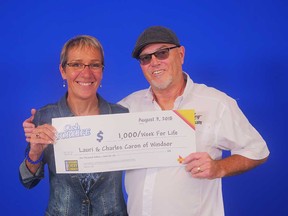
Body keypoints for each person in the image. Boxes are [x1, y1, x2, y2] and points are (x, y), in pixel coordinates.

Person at [23, 26, 270, 216]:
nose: (154, 63)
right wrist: (36, 149)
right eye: (145, 58)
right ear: (63, 70)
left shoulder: (216, 103)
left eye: (162, 53)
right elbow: (35, 176)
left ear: (181, 54)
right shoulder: (127, 108)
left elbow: (258, 151)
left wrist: (219, 168)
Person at [19, 35, 128, 216]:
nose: (86, 73)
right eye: (76, 64)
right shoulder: (45, 116)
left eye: (94, 65)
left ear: (102, 70)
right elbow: (28, 182)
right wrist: (35, 152)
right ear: (63, 70)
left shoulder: (122, 116)